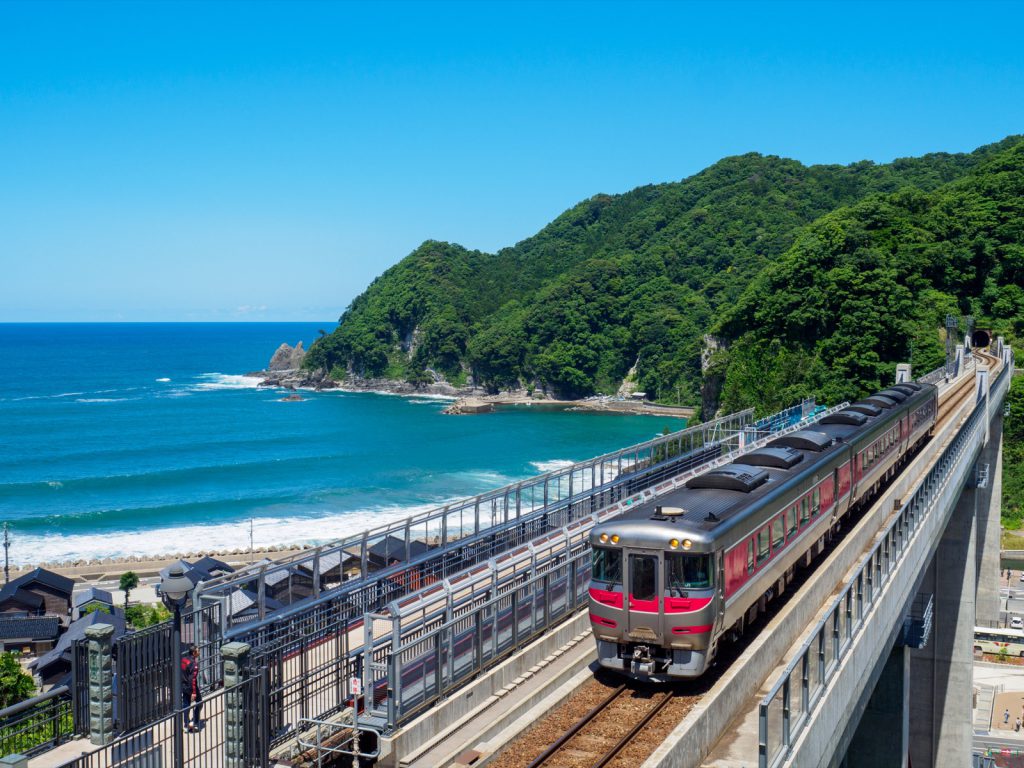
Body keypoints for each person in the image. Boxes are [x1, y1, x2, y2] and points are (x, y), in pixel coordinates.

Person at [180, 645, 203, 732]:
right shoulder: (194, 665)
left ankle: (186, 725)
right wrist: (193, 692)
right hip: (191, 687)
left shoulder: (184, 660)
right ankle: (195, 723)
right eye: (198, 651)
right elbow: (192, 679)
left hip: (184, 685)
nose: (199, 652)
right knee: (199, 703)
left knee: (186, 705)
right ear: (194, 653)